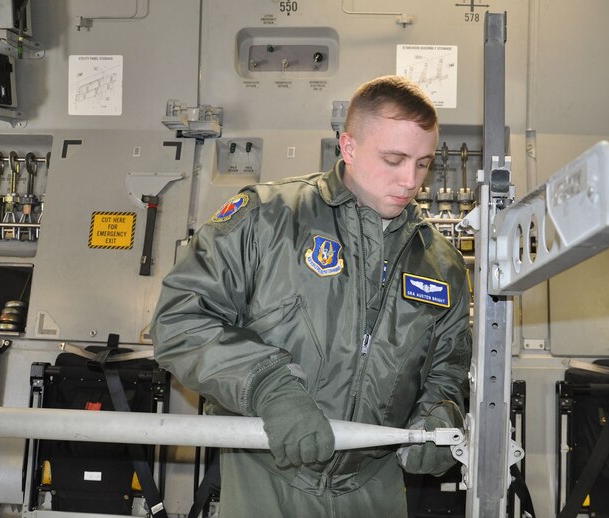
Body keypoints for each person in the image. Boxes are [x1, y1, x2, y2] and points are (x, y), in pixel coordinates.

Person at [151, 75, 472, 518]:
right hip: (268, 474)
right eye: (394, 159)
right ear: (349, 146)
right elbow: (180, 322)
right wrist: (270, 387)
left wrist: (440, 414)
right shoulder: (268, 218)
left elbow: (447, 369)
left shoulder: (441, 263)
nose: (409, 180)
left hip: (375, 484)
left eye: (423, 163)